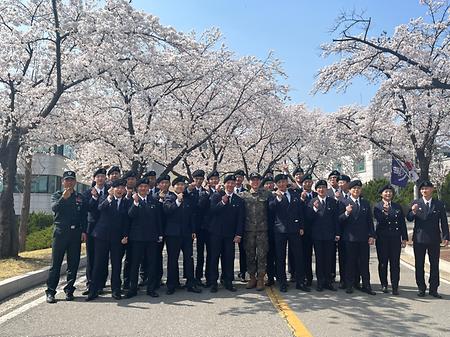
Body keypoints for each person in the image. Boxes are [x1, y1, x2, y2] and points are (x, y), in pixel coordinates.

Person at [45, 171, 87, 304]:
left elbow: (83, 215)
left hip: (75, 233)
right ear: (63, 182)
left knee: (73, 264)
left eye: (71, 180)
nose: (69, 183)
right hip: (60, 232)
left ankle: (69, 290)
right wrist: (64, 198)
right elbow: (54, 208)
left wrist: (84, 231)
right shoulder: (57, 195)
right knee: (56, 264)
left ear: (75, 182)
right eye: (67, 180)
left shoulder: (79, 197)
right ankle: (51, 292)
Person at [86, 179, 130, 301]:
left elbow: (127, 220)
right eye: (117, 187)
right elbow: (100, 208)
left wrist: (125, 235)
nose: (120, 190)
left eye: (122, 187)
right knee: (98, 264)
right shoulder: (105, 198)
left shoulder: (126, 202)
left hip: (118, 238)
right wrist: (110, 197)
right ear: (112, 189)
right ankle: (93, 290)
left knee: (116, 265)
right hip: (102, 236)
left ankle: (116, 290)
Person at [406, 180, 449, 298]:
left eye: (427, 188)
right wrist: (413, 211)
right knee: (419, 264)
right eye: (422, 189)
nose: (424, 191)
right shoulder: (416, 203)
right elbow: (409, 218)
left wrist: (446, 236)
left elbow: (444, 221)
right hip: (419, 239)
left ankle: (434, 289)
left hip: (434, 239)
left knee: (434, 264)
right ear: (420, 191)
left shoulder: (438, 204)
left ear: (432, 189)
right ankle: (421, 287)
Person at [269, 174, 310, 293]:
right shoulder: (273, 196)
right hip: (280, 230)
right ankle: (282, 282)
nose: (282, 184)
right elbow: (271, 208)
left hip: (294, 229)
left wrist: (301, 226)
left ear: (287, 183)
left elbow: (300, 212)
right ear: (276, 184)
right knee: (280, 257)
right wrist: (278, 198)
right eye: (279, 182)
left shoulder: (294, 194)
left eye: (284, 182)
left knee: (298, 255)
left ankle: (300, 281)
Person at [163, 176, 202, 295]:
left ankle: (191, 283)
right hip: (173, 234)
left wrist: (193, 230)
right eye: (178, 185)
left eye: (182, 185)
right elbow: (167, 210)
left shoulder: (188, 198)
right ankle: (172, 284)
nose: (180, 187)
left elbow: (192, 216)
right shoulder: (169, 198)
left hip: (186, 233)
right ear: (173, 186)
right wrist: (178, 201)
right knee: (172, 259)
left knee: (189, 258)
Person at [126, 178, 163, 298]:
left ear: (148, 188)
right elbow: (130, 215)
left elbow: (158, 219)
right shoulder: (132, 200)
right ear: (137, 188)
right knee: (134, 264)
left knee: (152, 263)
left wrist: (160, 234)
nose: (143, 188)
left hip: (151, 237)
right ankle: (132, 288)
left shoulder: (154, 201)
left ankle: (151, 288)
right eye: (141, 186)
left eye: (145, 187)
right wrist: (135, 203)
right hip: (136, 238)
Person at [339, 180, 376, 295]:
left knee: (364, 263)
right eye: (354, 189)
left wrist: (371, 235)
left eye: (358, 189)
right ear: (349, 190)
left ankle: (366, 285)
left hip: (363, 238)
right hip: (349, 238)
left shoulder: (365, 203)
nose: (356, 190)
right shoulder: (344, 202)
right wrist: (346, 213)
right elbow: (339, 220)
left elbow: (370, 221)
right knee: (350, 262)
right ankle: (349, 285)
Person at [209, 174, 245, 292]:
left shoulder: (238, 200)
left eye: (232, 183)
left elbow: (240, 218)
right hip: (216, 233)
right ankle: (213, 282)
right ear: (224, 184)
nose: (230, 185)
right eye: (228, 183)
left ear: (235, 184)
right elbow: (212, 211)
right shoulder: (216, 196)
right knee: (214, 257)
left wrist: (238, 234)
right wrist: (222, 203)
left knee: (229, 258)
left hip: (230, 234)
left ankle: (228, 280)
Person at [239, 172, 272, 291]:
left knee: (262, 255)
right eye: (253, 180)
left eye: (257, 180)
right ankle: (252, 277)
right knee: (250, 254)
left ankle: (261, 278)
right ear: (249, 182)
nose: (255, 182)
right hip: (248, 230)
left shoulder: (267, 194)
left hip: (263, 230)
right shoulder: (243, 195)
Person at [373, 184, 408, 295]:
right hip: (382, 239)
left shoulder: (397, 206)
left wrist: (404, 238)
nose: (388, 194)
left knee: (395, 263)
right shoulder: (377, 206)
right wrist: (385, 212)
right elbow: (380, 221)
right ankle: (384, 284)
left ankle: (395, 286)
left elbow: (402, 223)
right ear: (381, 194)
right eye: (386, 192)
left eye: (390, 192)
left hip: (395, 239)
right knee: (383, 263)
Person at [306, 180, 339, 291]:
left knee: (329, 259)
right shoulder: (312, 201)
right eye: (319, 187)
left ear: (326, 189)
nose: (321, 189)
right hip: (317, 236)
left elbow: (336, 219)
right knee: (319, 259)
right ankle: (320, 282)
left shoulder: (332, 202)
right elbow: (308, 219)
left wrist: (337, 233)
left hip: (329, 235)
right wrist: (314, 209)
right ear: (316, 190)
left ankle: (328, 282)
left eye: (323, 187)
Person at [82, 168, 108, 295]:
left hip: (105, 228)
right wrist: (93, 197)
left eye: (103, 176)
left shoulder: (109, 192)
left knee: (102, 257)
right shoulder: (87, 192)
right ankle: (90, 283)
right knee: (91, 256)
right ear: (94, 179)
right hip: (91, 228)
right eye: (98, 176)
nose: (100, 178)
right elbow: (87, 208)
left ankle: (100, 284)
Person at [299, 174, 317, 287]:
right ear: (302, 183)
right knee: (306, 255)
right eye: (305, 182)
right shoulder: (299, 195)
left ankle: (322, 278)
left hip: (318, 229)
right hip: (305, 230)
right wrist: (301, 199)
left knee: (319, 255)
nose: (308, 184)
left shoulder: (316, 194)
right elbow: (296, 211)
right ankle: (307, 277)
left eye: (310, 182)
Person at [262, 176, 277, 286]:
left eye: (271, 183)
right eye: (267, 184)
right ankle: (270, 276)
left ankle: (279, 275)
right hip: (265, 229)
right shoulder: (262, 196)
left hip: (278, 229)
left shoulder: (278, 195)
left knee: (279, 254)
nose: (269, 185)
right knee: (269, 254)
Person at [234, 169, 247, 282]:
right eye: (237, 177)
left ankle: (243, 272)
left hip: (240, 225)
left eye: (240, 177)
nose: (238, 179)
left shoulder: (246, 192)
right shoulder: (225, 190)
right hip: (227, 226)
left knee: (243, 250)